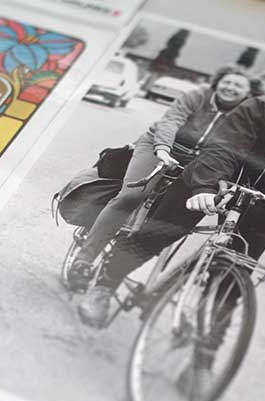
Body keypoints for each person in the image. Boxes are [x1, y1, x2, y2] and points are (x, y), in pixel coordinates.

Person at [78, 72, 265, 327]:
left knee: (237, 269)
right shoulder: (258, 108)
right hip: (212, 179)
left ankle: (207, 347)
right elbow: (224, 149)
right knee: (157, 233)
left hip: (264, 200)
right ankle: (105, 285)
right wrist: (204, 188)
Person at [67, 66, 253, 288]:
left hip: (199, 161)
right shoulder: (197, 96)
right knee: (132, 196)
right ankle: (84, 259)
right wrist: (163, 149)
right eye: (227, 82)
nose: (230, 88)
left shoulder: (244, 114)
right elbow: (171, 121)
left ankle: (126, 262)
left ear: (247, 93)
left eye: (238, 85)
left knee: (172, 214)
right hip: (158, 145)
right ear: (217, 82)